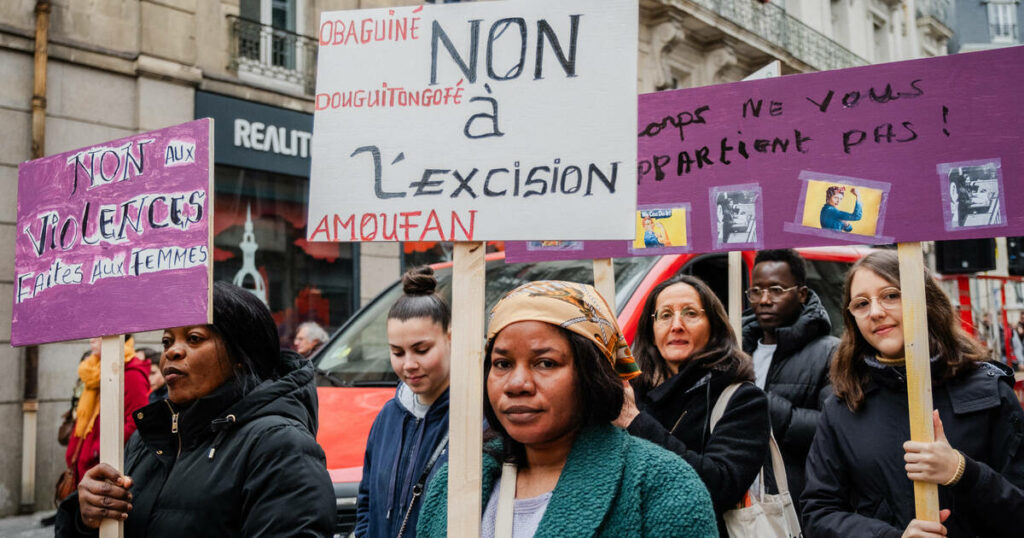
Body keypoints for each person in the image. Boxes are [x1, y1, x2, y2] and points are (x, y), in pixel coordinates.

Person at [416, 281, 717, 537]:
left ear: (592, 375)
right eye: (502, 364)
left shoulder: (662, 486)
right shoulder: (454, 481)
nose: (517, 383)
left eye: (545, 363)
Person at [55, 282, 335, 537]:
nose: (172, 352)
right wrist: (85, 518)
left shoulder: (280, 447)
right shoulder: (146, 441)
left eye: (194, 338)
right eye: (167, 341)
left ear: (240, 355)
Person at [802, 250, 1024, 537]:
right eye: (861, 303)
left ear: (926, 299)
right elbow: (818, 513)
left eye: (891, 295)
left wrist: (962, 471)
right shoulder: (844, 404)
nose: (876, 311)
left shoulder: (989, 390)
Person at [613, 274, 769, 535]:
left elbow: (720, 486)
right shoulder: (631, 392)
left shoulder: (741, 398)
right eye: (664, 315)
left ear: (714, 327)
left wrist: (635, 422)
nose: (676, 325)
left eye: (690, 313)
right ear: (651, 331)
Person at [741, 249, 838, 513]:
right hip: (743, 503)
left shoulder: (830, 352)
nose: (764, 300)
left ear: (802, 294)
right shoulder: (735, 351)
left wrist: (761, 405)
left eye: (776, 290)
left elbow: (834, 428)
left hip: (798, 503)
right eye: (756, 291)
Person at [357, 267, 452, 538]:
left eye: (422, 350)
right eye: (397, 352)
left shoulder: (477, 419)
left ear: (451, 339)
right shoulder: (387, 416)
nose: (409, 364)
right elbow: (366, 501)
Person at [63, 335, 150, 491]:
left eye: (99, 334)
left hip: (105, 468)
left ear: (116, 336)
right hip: (83, 465)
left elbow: (136, 422)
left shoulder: (132, 373)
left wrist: (99, 450)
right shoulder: (93, 370)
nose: (91, 339)